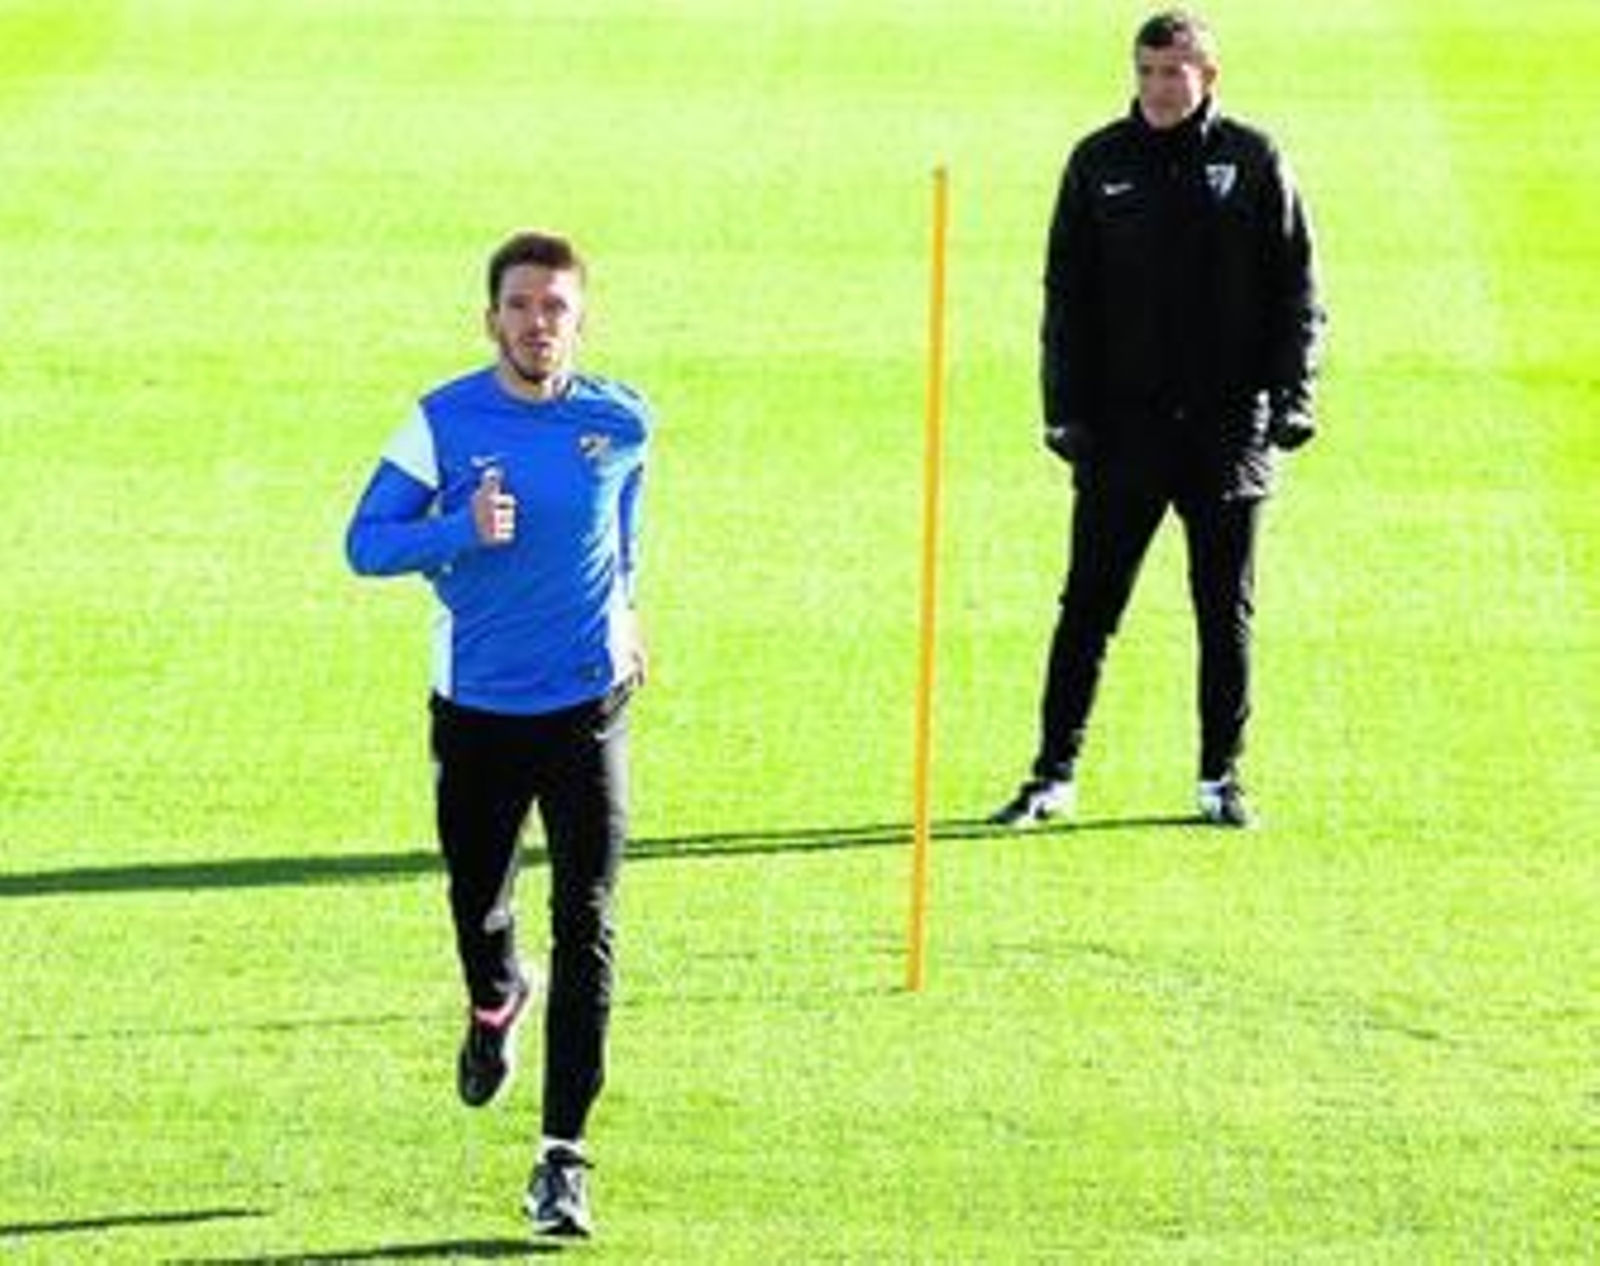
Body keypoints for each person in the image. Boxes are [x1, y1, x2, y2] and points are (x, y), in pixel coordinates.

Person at [346, 230, 651, 1237]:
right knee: (480, 909)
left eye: (554, 306)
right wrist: (459, 531)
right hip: (477, 713)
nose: (536, 324)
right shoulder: (439, 424)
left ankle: (562, 1159)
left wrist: (629, 612)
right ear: (491, 319)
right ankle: (495, 1001)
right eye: (519, 306)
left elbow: (624, 527)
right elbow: (363, 544)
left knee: (588, 923)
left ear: (580, 319)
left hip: (588, 710)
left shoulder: (622, 422)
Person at [992, 10, 1324, 829]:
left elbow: (1298, 289)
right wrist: (1063, 410)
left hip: (1228, 429)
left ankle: (1220, 779)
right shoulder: (1098, 162)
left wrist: (1295, 396)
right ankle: (1052, 776)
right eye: (1146, 71)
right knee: (1088, 608)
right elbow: (1065, 297)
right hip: (1124, 429)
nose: (1158, 88)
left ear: (1208, 75)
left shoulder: (1253, 160)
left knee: (1224, 611)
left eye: (1174, 72)